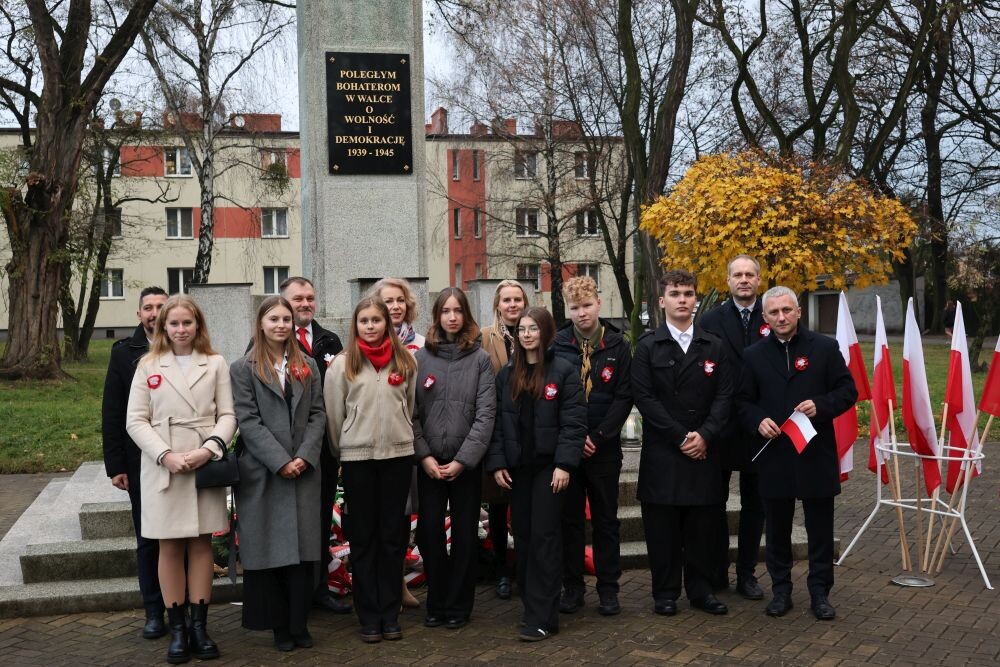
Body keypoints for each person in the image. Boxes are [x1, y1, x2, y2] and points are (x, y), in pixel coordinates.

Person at [125, 295, 237, 664]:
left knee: (201, 544)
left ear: (198, 325)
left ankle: (200, 627)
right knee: (169, 546)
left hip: (203, 462)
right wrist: (165, 455)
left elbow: (228, 415)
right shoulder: (147, 365)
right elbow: (135, 420)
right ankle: (177, 628)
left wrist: (209, 449)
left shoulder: (216, 363)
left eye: (187, 323)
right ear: (163, 327)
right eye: (173, 324)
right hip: (163, 466)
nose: (180, 329)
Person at [736, 286, 857, 620]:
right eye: (774, 313)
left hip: (815, 453)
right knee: (776, 530)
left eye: (787, 310)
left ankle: (820, 594)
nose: (781, 317)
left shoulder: (825, 347)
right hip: (775, 454)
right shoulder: (753, 355)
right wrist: (758, 420)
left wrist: (821, 405)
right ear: (765, 318)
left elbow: (848, 391)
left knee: (820, 530)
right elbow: (742, 402)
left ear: (799, 311)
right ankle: (781, 591)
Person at [632, 270, 733, 617]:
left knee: (702, 527)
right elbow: (644, 397)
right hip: (664, 449)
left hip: (703, 450)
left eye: (688, 294)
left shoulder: (714, 346)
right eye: (675, 294)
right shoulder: (647, 347)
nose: (682, 300)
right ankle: (665, 592)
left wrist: (704, 435)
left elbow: (724, 396)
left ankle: (701, 591)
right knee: (662, 529)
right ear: (662, 301)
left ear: (696, 300)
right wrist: (679, 436)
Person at [230, 297, 327, 652]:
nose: (281, 325)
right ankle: (279, 628)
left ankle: (300, 623)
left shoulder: (309, 366)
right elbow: (248, 420)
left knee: (302, 552)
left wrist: (304, 456)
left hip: (303, 471)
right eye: (274, 319)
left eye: (286, 319)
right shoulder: (243, 368)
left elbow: (318, 414)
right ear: (261, 323)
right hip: (265, 472)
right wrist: (279, 460)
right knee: (271, 551)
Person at [486, 307, 587, 641]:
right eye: (522, 330)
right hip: (519, 471)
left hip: (550, 470)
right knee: (526, 539)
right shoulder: (508, 375)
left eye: (533, 329)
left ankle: (542, 616)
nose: (526, 334)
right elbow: (499, 424)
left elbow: (573, 423)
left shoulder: (564, 370)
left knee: (545, 539)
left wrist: (564, 464)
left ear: (545, 332)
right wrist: (498, 462)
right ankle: (535, 609)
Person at [325, 296, 418, 643]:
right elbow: (335, 417)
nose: (370, 326)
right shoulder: (343, 365)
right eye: (364, 320)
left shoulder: (405, 361)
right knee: (363, 539)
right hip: (358, 460)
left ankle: (390, 614)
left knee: (392, 538)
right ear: (356, 325)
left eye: (376, 320)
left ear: (387, 324)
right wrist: (345, 448)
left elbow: (409, 404)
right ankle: (368, 616)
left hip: (396, 458)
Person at [412, 287, 496, 630]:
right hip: (430, 464)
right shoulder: (421, 359)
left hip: (465, 465)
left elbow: (486, 414)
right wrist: (425, 457)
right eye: (445, 310)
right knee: (429, 533)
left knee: (464, 535)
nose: (451, 316)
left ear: (465, 315)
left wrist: (464, 460)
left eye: (457, 310)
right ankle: (438, 600)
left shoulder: (480, 360)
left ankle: (460, 604)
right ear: (437, 315)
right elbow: (411, 413)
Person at [554, 276, 632, 617]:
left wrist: (599, 437)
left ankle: (609, 589)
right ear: (567, 310)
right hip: (569, 450)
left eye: (587, 306)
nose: (582, 313)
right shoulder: (557, 344)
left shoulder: (617, 345)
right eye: (575, 308)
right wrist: (573, 441)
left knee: (605, 520)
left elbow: (624, 396)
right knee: (570, 521)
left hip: (604, 448)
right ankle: (572, 587)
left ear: (598, 304)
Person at [278, 276, 350, 615]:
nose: (305, 303)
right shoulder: (268, 340)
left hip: (321, 449)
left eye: (309, 297)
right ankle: (292, 595)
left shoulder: (329, 340)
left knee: (319, 519)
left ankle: (319, 587)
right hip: (284, 453)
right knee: (289, 522)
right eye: (297, 298)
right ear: (284, 302)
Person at [698, 255, 768, 599]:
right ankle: (717, 569)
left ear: (759, 280)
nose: (744, 280)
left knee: (756, 504)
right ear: (727, 281)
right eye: (737, 275)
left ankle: (747, 573)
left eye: (749, 274)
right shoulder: (710, 320)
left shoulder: (773, 316)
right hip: (721, 425)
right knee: (715, 501)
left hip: (759, 426)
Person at [102, 286, 169, 639]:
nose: (154, 313)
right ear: (139, 313)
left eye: (161, 306)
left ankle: (181, 606)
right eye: (148, 307)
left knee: (179, 538)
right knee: (148, 539)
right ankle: (154, 611)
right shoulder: (123, 354)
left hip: (179, 459)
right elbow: (112, 411)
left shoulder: (184, 347)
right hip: (139, 460)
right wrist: (116, 465)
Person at [371, 276, 424, 609]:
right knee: (379, 518)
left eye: (399, 300)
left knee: (403, 518)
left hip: (411, 443)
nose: (394, 307)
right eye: (387, 301)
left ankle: (399, 583)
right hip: (377, 448)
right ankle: (379, 583)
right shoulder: (368, 344)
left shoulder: (421, 344)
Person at [479, 278, 530, 600]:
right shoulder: (485, 338)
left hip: (529, 434)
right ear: (498, 304)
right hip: (497, 432)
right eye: (507, 300)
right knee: (498, 507)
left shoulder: (534, 332)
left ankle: (526, 568)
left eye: (517, 300)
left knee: (525, 507)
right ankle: (501, 570)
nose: (512, 305)